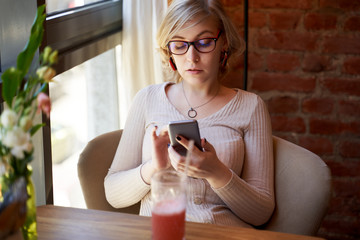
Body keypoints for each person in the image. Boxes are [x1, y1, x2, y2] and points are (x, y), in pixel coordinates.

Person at [104, 0, 275, 228]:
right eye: (179, 44)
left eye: (204, 42)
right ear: (169, 50)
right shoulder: (147, 99)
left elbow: (261, 212)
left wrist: (217, 173)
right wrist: (155, 167)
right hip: (159, 231)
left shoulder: (250, 106)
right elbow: (113, 194)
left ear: (223, 42)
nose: (192, 57)